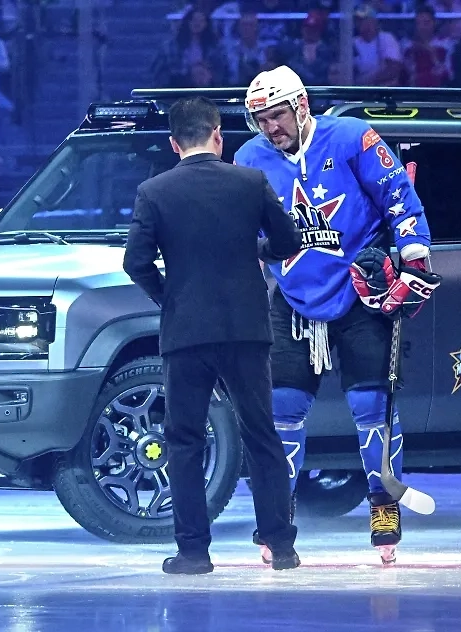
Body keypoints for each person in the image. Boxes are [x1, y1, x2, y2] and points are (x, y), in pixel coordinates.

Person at [234, 66, 432, 565]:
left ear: (301, 106)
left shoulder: (351, 137)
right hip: (292, 296)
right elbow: (240, 229)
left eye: (277, 115)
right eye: (260, 120)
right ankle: (278, 516)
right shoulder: (248, 158)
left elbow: (399, 197)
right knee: (281, 408)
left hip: (361, 291)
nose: (270, 128)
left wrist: (414, 258)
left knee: (372, 406)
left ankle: (384, 504)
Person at [122, 96, 303, 575]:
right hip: (246, 329)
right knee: (262, 435)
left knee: (185, 440)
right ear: (218, 135)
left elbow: (135, 262)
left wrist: (170, 298)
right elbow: (289, 241)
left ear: (173, 144)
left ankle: (194, 552)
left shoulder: (154, 191)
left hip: (186, 332)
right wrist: (257, 250)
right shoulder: (250, 181)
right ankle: (281, 546)